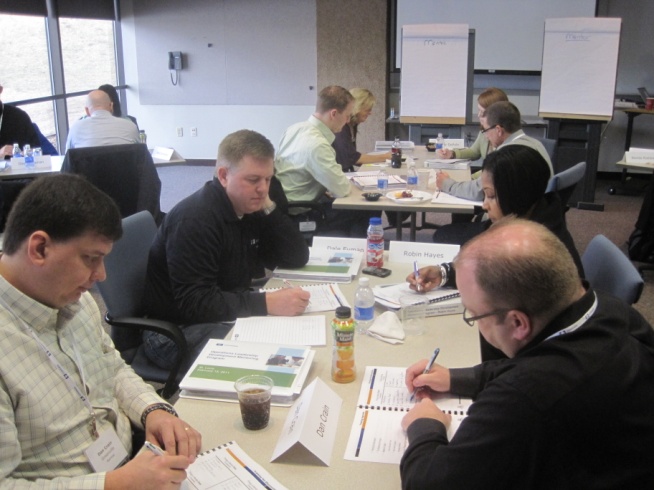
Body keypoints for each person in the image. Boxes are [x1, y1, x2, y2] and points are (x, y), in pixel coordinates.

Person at [401, 219, 654, 489]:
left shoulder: (526, 397)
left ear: (518, 323)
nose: (474, 320)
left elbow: (428, 484)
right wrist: (456, 378)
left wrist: (426, 427)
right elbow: (534, 365)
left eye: (474, 314)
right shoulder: (608, 309)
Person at [0, 174, 201, 489]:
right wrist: (114, 484)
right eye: (90, 259)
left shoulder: (74, 301)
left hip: (130, 459)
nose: (101, 275)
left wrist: (153, 410)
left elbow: (112, 369)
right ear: (39, 248)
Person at [141, 129, 311, 369]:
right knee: (274, 359)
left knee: (290, 340)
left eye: (268, 179)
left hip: (219, 312)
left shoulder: (248, 206)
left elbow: (297, 256)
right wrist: (266, 303)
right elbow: (195, 303)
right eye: (253, 180)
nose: (263, 189)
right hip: (173, 332)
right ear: (223, 175)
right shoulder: (195, 221)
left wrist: (269, 207)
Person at [431, 145, 583, 275]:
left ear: (515, 196)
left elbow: (489, 284)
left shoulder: (530, 253)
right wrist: (444, 273)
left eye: (490, 196)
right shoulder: (537, 212)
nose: (484, 205)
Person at [275, 85, 379, 237]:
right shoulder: (318, 145)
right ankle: (356, 254)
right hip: (302, 214)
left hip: (284, 205)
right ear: (334, 114)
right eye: (347, 116)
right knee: (366, 208)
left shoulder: (294, 129)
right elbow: (342, 190)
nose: (348, 120)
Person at [436, 101, 553, 202]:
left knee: (448, 228)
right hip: (537, 215)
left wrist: (446, 184)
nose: (486, 136)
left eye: (486, 130)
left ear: (498, 130)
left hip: (513, 222)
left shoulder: (506, 155)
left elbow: (477, 191)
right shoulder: (536, 144)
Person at [436, 87, 508, 162]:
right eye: (478, 110)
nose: (479, 115)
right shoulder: (485, 129)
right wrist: (452, 154)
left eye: (482, 112)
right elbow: (474, 152)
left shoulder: (506, 135)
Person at [332, 88, 390, 172]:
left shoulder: (352, 125)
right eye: (368, 109)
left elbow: (353, 157)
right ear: (358, 107)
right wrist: (385, 157)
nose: (370, 113)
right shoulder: (342, 127)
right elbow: (352, 157)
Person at [65, 90, 139, 150]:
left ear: (87, 110)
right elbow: (141, 156)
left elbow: (68, 158)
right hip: (124, 168)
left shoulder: (76, 128)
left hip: (88, 168)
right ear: (111, 106)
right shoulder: (130, 126)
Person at [0, 83, 40, 159]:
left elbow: (35, 149)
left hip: (18, 168)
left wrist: (23, 153)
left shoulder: (18, 117)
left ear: (0, 90)